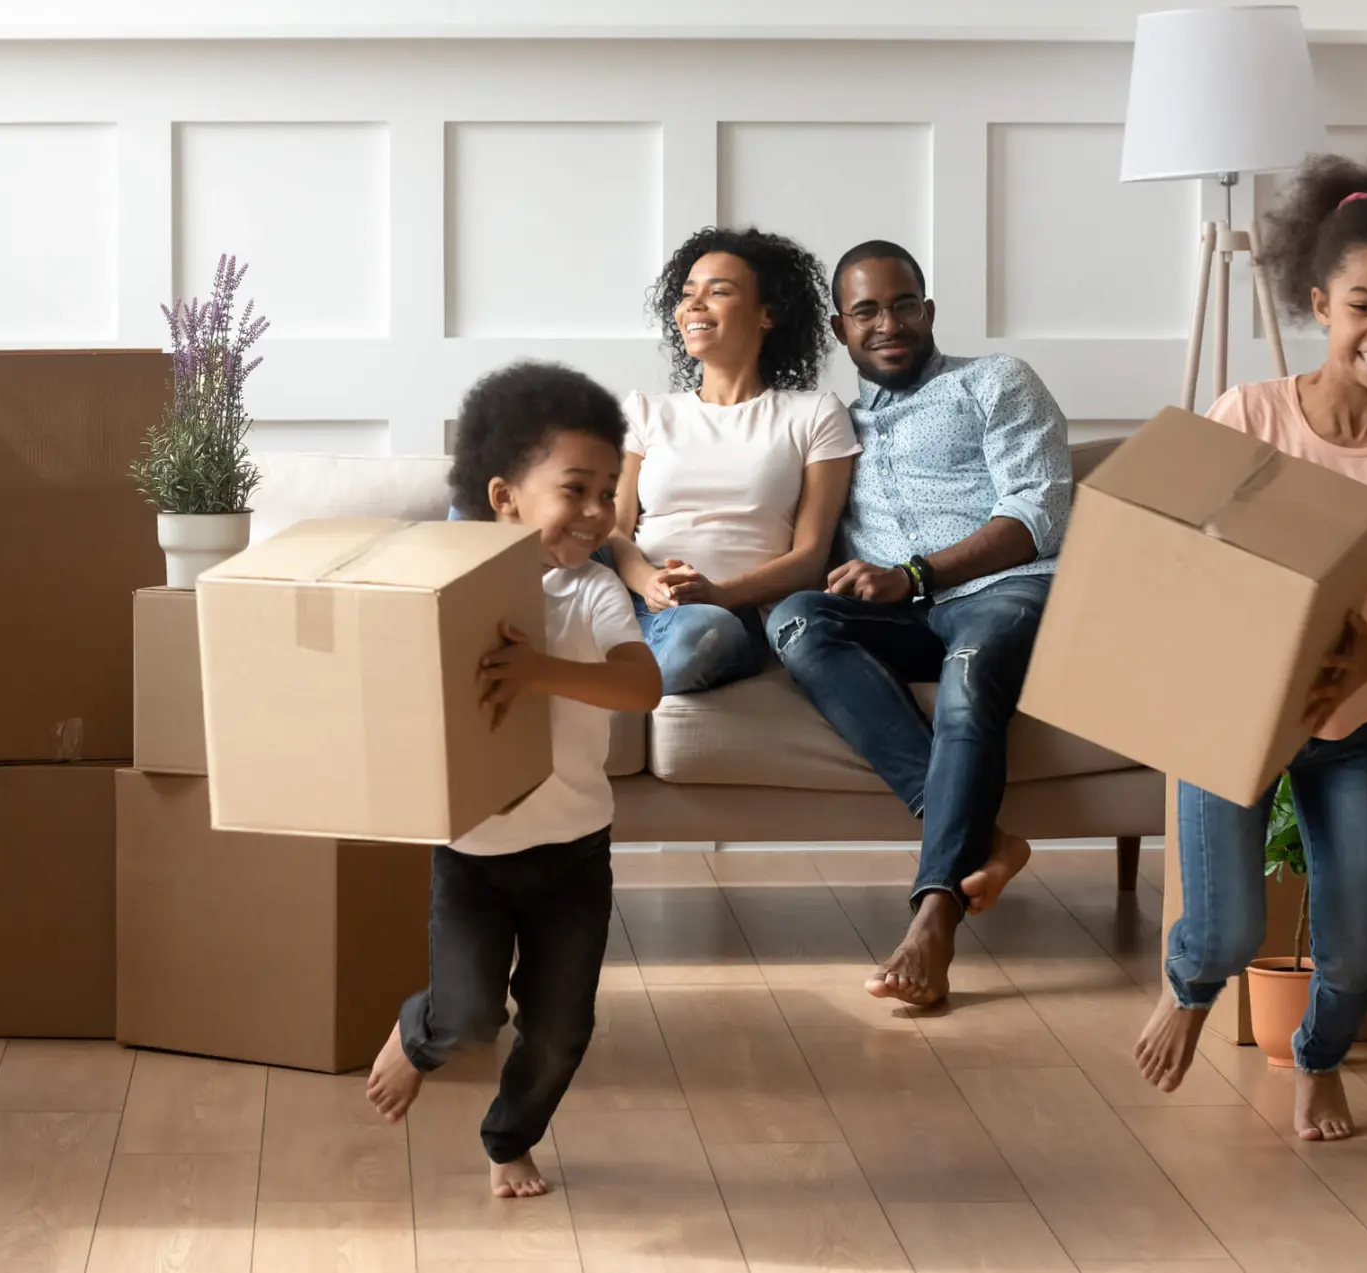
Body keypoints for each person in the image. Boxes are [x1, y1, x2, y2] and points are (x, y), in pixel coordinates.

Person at [1133, 152, 1367, 1143]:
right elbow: (1172, 557)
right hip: (1235, 714)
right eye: (1363, 307)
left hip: (1354, 720)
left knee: (1352, 953)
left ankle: (1317, 1059)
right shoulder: (1249, 414)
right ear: (1318, 304)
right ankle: (1193, 986)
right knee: (1229, 931)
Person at [367, 362, 663, 1197]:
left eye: (609, 490)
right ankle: (415, 1031)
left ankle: (509, 1139)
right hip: (473, 852)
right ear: (505, 497)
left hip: (574, 852)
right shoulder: (446, 591)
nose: (598, 511)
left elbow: (642, 686)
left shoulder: (591, 589)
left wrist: (538, 670)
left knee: (562, 1025)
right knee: (466, 1015)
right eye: (576, 489)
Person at [766, 240, 1073, 1008]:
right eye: (865, 310)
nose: (888, 322)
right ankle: (982, 837)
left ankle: (933, 915)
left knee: (971, 673)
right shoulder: (831, 428)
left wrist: (916, 573)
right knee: (797, 619)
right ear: (840, 329)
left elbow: (1037, 514)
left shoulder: (993, 380)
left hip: (1005, 592)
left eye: (903, 303)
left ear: (928, 310)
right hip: (898, 614)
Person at [604, 227, 860, 695]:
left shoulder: (815, 414)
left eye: (718, 291)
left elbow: (809, 559)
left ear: (767, 314)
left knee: (703, 631)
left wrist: (717, 595)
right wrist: (649, 584)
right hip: (636, 602)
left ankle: (603, 673)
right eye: (686, 295)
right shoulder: (645, 410)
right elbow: (615, 529)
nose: (693, 306)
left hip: (729, 616)